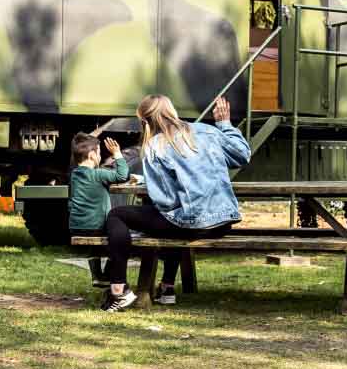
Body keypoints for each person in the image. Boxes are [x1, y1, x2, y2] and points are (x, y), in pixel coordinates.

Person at [101, 94, 251, 312]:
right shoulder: (207, 131)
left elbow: (165, 200)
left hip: (189, 224)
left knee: (119, 215)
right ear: (172, 111)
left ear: (145, 121)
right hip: (222, 222)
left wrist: (147, 185)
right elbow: (242, 155)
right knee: (172, 220)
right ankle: (167, 287)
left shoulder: (155, 146)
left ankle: (118, 291)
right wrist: (225, 124)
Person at [68, 133, 130, 287]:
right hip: (96, 226)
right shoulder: (98, 174)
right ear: (92, 155)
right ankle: (110, 276)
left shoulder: (74, 175)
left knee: (94, 247)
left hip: (77, 226)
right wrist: (117, 155)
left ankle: (97, 276)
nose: (101, 157)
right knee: (117, 242)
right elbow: (123, 175)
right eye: (100, 153)